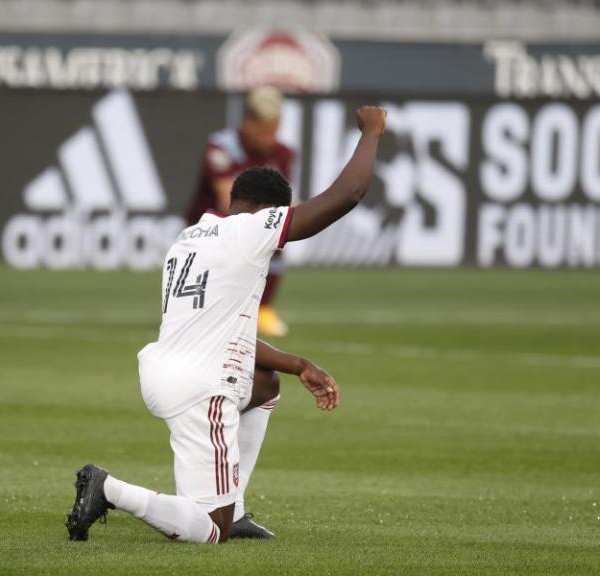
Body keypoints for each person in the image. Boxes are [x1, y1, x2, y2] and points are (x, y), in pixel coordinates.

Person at [65, 106, 388, 544]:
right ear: (264, 211)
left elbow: (222, 329)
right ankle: (111, 489)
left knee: (265, 383)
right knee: (207, 531)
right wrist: (372, 132)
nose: (276, 246)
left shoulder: (190, 238)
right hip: (202, 388)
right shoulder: (249, 230)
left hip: (166, 369)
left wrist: (297, 364)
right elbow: (346, 195)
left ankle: (232, 510)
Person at [185, 86, 295, 337]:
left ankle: (263, 310)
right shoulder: (222, 147)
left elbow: (285, 199)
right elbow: (227, 200)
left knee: (280, 233)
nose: (270, 138)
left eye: (274, 130)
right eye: (264, 130)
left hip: (251, 226)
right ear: (248, 122)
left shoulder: (284, 153)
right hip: (210, 228)